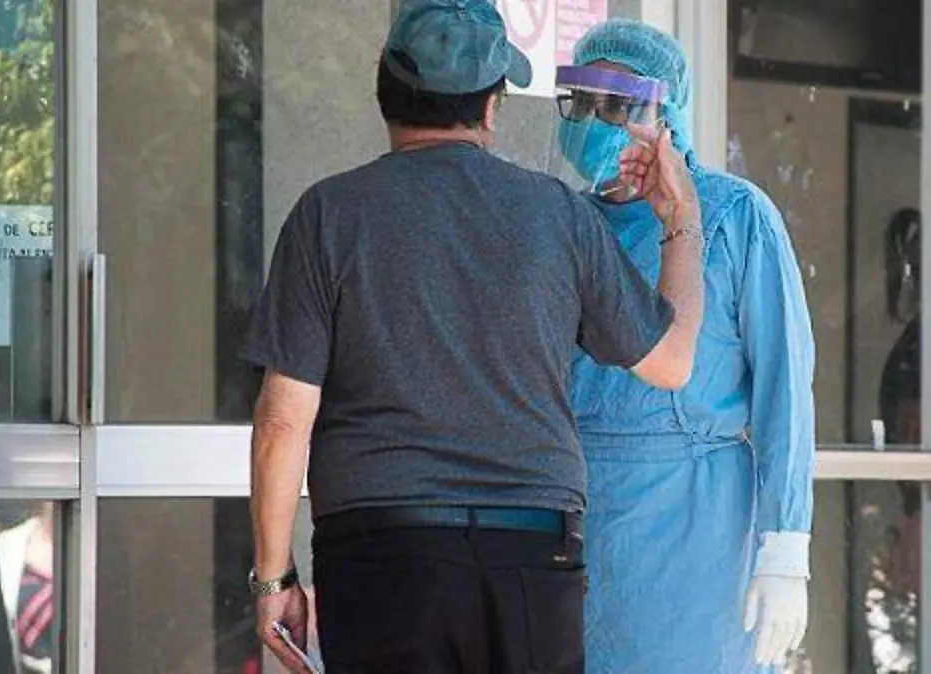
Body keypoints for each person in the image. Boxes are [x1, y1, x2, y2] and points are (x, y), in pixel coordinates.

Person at [239, 1, 707, 672]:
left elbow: (282, 421)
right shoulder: (558, 215)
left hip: (380, 556)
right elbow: (672, 362)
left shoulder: (327, 214)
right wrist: (681, 219)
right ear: (491, 105)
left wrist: (273, 579)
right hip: (532, 557)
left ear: (385, 92)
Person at [555, 19, 816, 674]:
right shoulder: (562, 223)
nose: (593, 121)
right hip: (576, 529)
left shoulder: (734, 216)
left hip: (696, 528)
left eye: (616, 105)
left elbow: (785, 388)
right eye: (581, 102)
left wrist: (785, 548)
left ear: (665, 113)